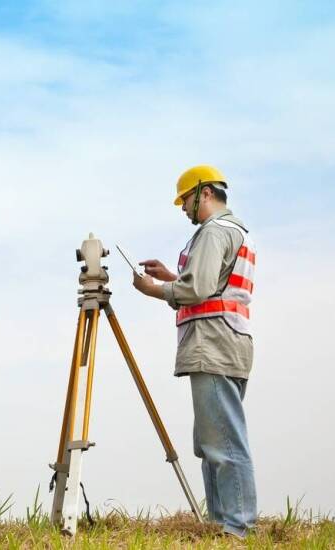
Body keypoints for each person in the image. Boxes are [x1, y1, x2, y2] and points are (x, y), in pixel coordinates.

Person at [131, 165, 257, 538]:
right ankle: (223, 523)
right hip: (227, 341)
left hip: (214, 343)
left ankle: (237, 529)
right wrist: (173, 277)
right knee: (211, 439)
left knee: (223, 441)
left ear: (203, 193)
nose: (183, 208)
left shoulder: (214, 233)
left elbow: (199, 290)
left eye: (185, 200)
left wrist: (154, 289)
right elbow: (211, 285)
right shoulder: (235, 232)